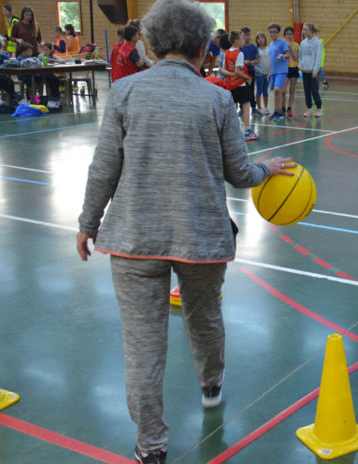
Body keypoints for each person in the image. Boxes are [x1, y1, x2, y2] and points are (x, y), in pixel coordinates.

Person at [76, 1, 294, 462]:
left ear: (151, 46)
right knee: (204, 318)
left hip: (133, 240)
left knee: (142, 346)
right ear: (202, 46)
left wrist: (87, 224)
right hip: (202, 239)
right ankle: (211, 385)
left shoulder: (124, 92)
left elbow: (103, 169)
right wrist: (267, 168)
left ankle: (150, 447)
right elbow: (239, 173)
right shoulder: (216, 97)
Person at [220, 31, 256, 141]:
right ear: (236, 41)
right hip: (240, 84)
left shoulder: (227, 53)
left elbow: (223, 70)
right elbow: (238, 71)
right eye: (242, 38)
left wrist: (231, 75)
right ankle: (247, 131)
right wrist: (247, 77)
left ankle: (231, 131)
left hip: (231, 84)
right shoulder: (239, 54)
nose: (244, 40)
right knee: (246, 106)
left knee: (233, 108)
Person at [298, 23, 323, 118]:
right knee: (307, 91)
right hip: (305, 72)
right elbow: (300, 56)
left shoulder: (317, 42)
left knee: (314, 91)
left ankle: (319, 108)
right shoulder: (303, 43)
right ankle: (309, 109)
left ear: (311, 31)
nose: (304, 31)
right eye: (303, 30)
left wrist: (315, 70)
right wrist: (300, 66)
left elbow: (318, 57)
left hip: (313, 72)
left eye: (306, 29)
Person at [267, 23, 290, 121]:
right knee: (275, 92)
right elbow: (270, 60)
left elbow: (288, 54)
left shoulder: (282, 42)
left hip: (282, 70)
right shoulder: (270, 44)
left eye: (274, 32)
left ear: (278, 33)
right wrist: (269, 72)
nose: (272, 34)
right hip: (273, 71)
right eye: (270, 32)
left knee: (277, 90)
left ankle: (280, 111)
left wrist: (282, 56)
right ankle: (275, 111)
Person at [283, 26, 299, 117]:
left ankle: (289, 108)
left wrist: (290, 48)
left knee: (292, 90)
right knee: (283, 90)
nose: (289, 35)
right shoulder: (281, 44)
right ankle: (282, 107)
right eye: (287, 34)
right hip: (284, 69)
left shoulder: (296, 45)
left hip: (293, 68)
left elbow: (295, 58)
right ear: (284, 35)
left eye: (291, 34)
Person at [253, 31, 270, 115]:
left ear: (265, 39)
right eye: (258, 38)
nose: (260, 40)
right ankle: (259, 107)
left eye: (262, 38)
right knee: (259, 91)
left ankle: (266, 107)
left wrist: (270, 72)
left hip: (267, 73)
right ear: (256, 40)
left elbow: (270, 61)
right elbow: (255, 61)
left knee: (265, 91)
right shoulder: (256, 50)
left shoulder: (268, 49)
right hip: (259, 72)